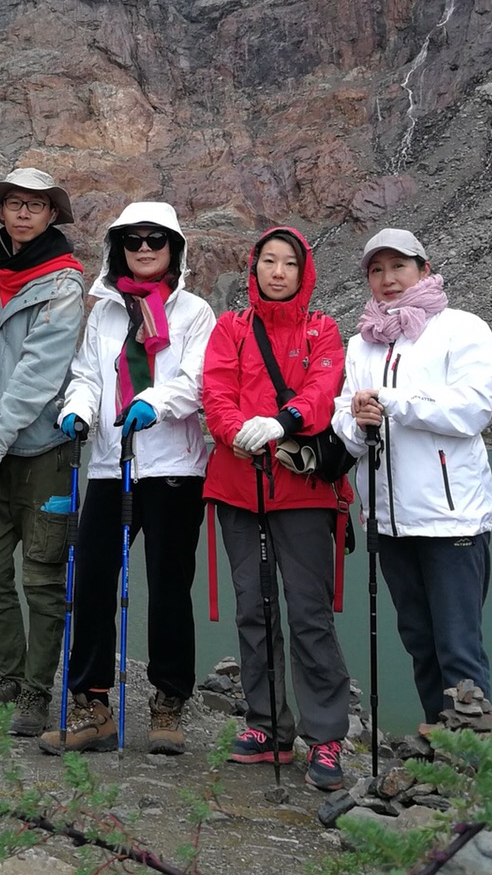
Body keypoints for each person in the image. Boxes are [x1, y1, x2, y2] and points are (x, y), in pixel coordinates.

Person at [38, 202, 213, 757]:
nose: (143, 249)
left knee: (166, 586)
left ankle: (167, 702)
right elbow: (88, 374)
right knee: (91, 581)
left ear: (173, 249)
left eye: (155, 241)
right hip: (114, 466)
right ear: (118, 249)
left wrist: (153, 402)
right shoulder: (106, 314)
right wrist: (78, 409)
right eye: (132, 241)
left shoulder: (195, 313)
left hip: (173, 469)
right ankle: (93, 704)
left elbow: (197, 380)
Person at [202, 225, 354, 792]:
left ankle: (327, 735)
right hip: (240, 487)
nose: (279, 271)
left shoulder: (323, 330)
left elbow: (324, 389)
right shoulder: (230, 328)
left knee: (309, 611)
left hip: (304, 493)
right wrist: (233, 428)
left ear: (303, 272)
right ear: (255, 266)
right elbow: (213, 388)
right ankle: (267, 724)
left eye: (290, 263)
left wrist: (282, 422)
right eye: (269, 260)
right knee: (255, 606)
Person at [335, 228, 492, 731]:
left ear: (424, 270)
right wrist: (357, 421)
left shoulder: (462, 329)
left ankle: (473, 749)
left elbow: (472, 410)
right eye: (377, 270)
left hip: (452, 520)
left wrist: (393, 401)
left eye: (399, 267)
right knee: (419, 640)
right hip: (388, 520)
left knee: (458, 643)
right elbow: (344, 423)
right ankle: (438, 739)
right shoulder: (360, 343)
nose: (388, 279)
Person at [0, 167, 86, 737]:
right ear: (0, 211)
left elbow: (39, 376)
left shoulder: (64, 285)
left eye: (36, 205)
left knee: (41, 576)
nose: (24, 213)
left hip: (40, 453)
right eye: (14, 203)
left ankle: (37, 690)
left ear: (52, 214)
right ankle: (8, 673)